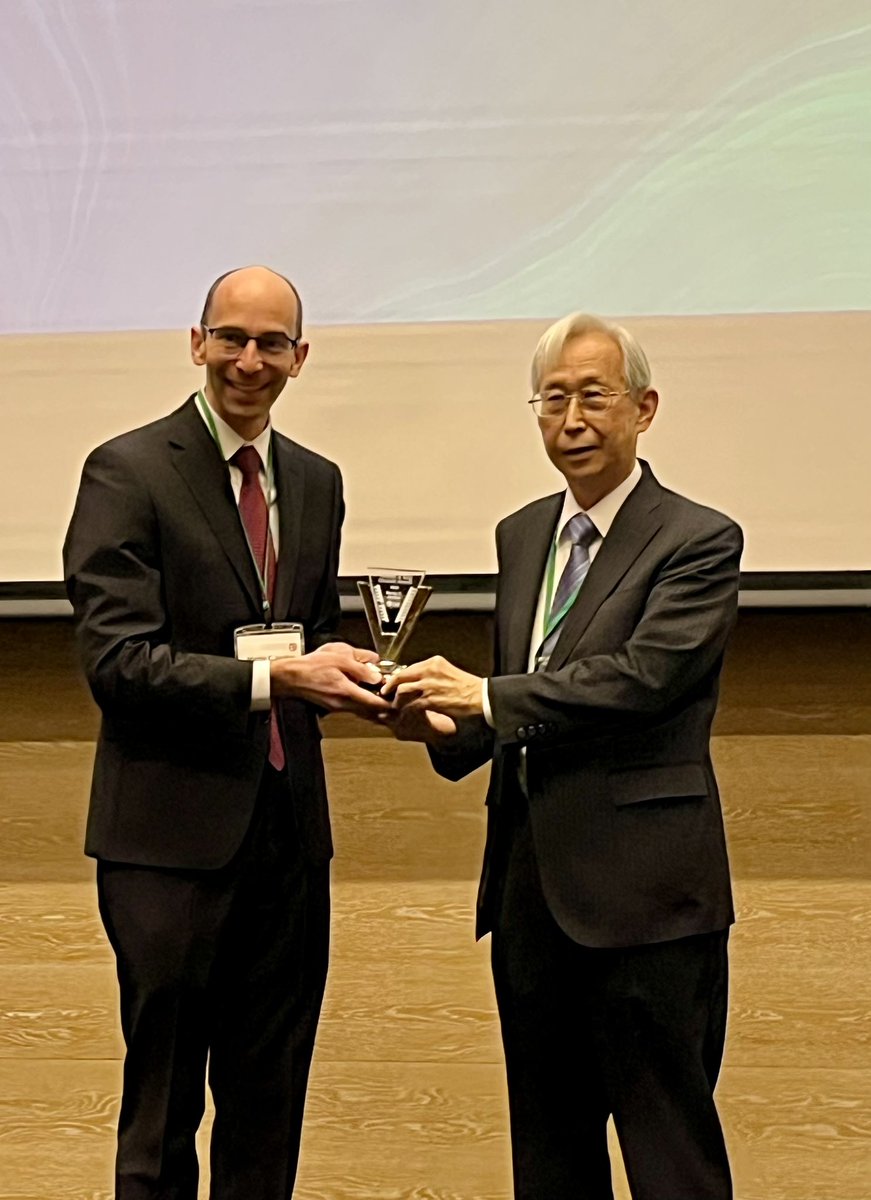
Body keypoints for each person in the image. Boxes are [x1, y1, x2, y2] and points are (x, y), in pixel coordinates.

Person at [383, 313, 741, 1199]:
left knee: (670, 1157)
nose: (571, 419)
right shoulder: (521, 534)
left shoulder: (697, 538)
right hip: (530, 896)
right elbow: (524, 682)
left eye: (592, 396)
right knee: (548, 1158)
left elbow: (643, 679)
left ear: (643, 409)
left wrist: (485, 698)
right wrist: (438, 723)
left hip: (648, 904)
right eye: (551, 399)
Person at [63, 265, 389, 1199]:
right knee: (162, 1115)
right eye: (233, 339)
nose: (250, 361)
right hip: (167, 845)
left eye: (271, 343)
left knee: (268, 1110)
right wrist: (273, 677)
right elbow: (119, 664)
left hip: (288, 841)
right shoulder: (127, 470)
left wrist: (368, 680)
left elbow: (313, 633)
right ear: (196, 342)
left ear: (300, 356)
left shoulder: (316, 482)